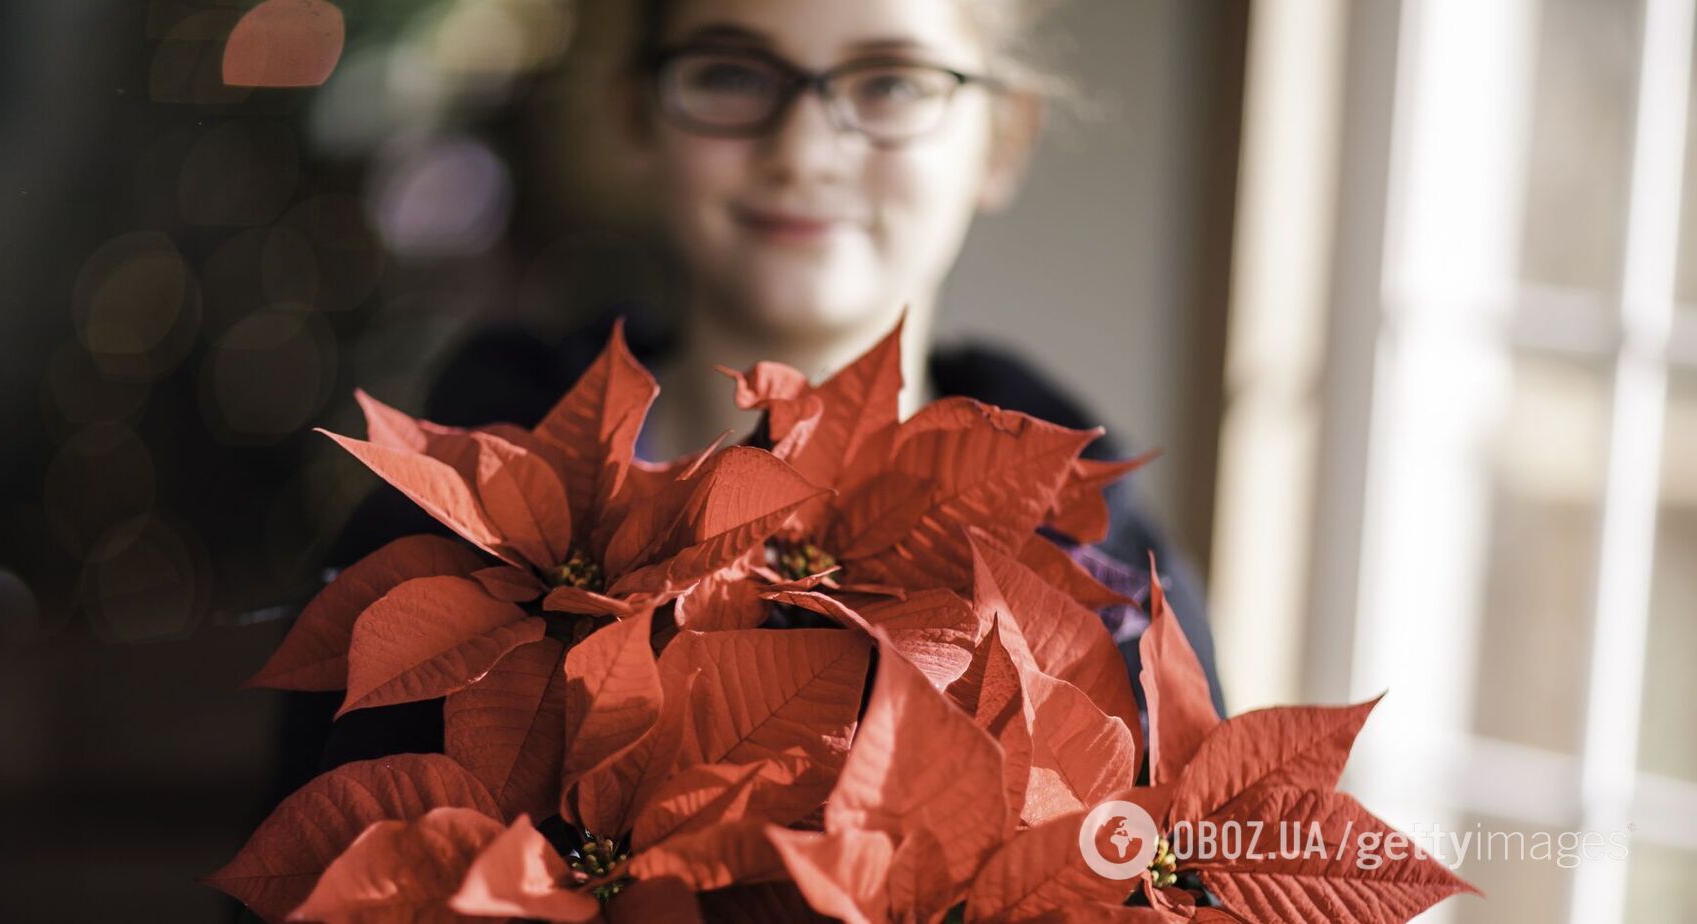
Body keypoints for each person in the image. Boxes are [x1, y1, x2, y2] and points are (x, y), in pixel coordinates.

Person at [278, 0, 1223, 790]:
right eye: (732, 74)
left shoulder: (1117, 576)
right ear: (635, 115)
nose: (804, 149)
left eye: (890, 81)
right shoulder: (443, 533)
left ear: (1004, 138)